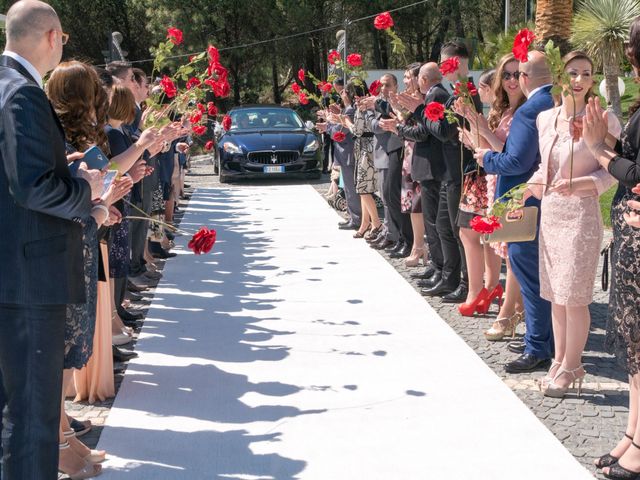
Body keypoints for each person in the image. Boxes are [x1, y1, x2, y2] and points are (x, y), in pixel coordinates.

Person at [0, 2, 104, 478]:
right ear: (53, 36)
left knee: (19, 411)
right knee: (33, 419)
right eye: (62, 40)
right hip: (29, 279)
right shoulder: (21, 94)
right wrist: (85, 188)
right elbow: (33, 186)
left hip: (17, 271)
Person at [527, 51, 621, 398]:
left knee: (575, 295)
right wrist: (527, 190)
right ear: (561, 77)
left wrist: (584, 185)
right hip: (551, 213)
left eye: (586, 73)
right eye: (573, 73)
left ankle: (572, 365)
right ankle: (559, 360)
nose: (580, 79)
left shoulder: (604, 119)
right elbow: (545, 168)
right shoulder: (546, 119)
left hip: (582, 214)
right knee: (555, 295)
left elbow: (615, 169)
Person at [582, 17, 640, 478]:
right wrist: (610, 140)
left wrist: (598, 149)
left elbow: (637, 176)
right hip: (630, 238)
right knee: (636, 347)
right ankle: (632, 434)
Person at [475, 50, 555, 373]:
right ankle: (544, 341)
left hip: (524, 203)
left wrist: (486, 159)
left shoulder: (528, 111)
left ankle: (538, 346)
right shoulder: (551, 102)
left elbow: (518, 161)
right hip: (544, 201)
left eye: (515, 75)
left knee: (528, 274)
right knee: (538, 276)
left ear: (524, 78)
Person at [461, 53, 526, 339]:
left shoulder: (523, 111)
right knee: (506, 250)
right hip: (496, 181)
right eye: (507, 75)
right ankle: (518, 308)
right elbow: (489, 146)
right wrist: (473, 125)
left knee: (511, 253)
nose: (513, 80)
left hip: (513, 184)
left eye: (517, 74)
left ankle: (508, 312)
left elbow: (509, 153)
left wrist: (483, 129)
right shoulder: (505, 110)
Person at [380, 62, 448, 289]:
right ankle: (437, 267)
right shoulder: (427, 96)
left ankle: (442, 270)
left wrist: (398, 128)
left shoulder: (434, 95)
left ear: (424, 79)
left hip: (431, 166)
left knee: (435, 223)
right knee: (431, 222)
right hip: (424, 164)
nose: (413, 81)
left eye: (413, 77)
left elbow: (423, 131)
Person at [454, 69, 503, 316]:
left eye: (483, 88)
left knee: (471, 234)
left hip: (484, 181)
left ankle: (477, 291)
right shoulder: (495, 112)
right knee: (483, 237)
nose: (480, 92)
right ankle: (489, 287)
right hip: (481, 179)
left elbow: (487, 147)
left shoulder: (496, 114)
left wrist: (470, 132)